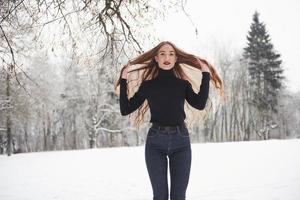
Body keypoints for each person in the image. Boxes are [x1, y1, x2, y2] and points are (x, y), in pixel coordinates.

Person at [115, 41, 223, 200]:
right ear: (156, 59)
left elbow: (199, 104)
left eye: (171, 54)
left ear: (176, 59)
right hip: (155, 143)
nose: (167, 57)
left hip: (181, 142)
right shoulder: (148, 86)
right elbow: (126, 109)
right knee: (160, 196)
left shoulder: (182, 84)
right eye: (162, 54)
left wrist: (205, 74)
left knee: (179, 196)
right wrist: (123, 80)